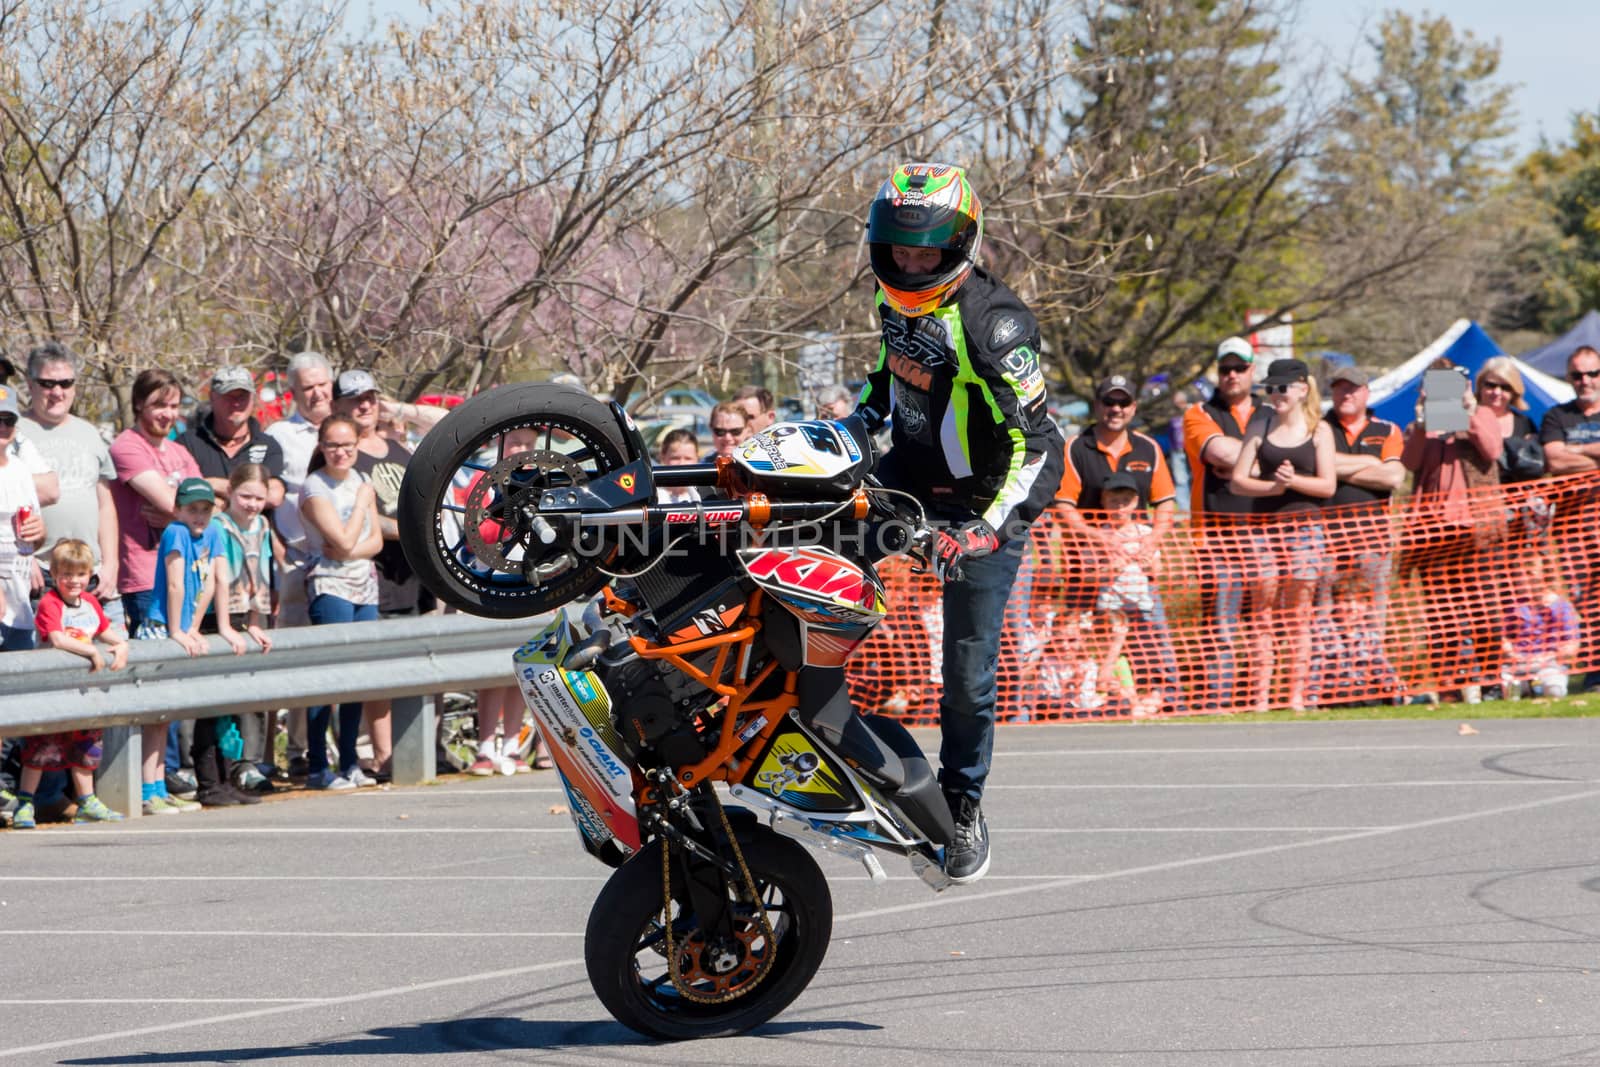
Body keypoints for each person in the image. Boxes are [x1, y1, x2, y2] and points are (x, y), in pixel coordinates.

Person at [855, 162, 1064, 882]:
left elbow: (1043, 446)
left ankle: (963, 801)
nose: (910, 265)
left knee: (966, 673)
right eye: (900, 251)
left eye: (926, 253)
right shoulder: (893, 302)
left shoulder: (998, 324)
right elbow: (887, 375)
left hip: (983, 506)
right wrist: (855, 424)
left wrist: (984, 528)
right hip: (908, 481)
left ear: (961, 245)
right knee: (803, 547)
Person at [109, 368, 205, 801]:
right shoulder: (127, 446)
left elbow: (203, 507)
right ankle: (147, 785)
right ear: (139, 406)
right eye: (158, 405)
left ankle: (160, 780)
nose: (167, 414)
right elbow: (178, 503)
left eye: (173, 405)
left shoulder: (181, 452)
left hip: (183, 576)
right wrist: (178, 507)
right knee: (152, 681)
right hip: (145, 577)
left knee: (172, 683)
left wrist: (181, 510)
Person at [1055, 375, 1181, 703]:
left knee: (1149, 631)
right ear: (1097, 405)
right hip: (1089, 567)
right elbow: (1064, 507)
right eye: (1109, 401)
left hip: (1136, 564)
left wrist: (1151, 541)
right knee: (1086, 635)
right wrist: (1100, 541)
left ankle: (1162, 692)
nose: (1116, 408)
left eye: (1123, 402)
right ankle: (1081, 697)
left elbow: (1166, 501)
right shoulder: (1076, 447)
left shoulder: (1148, 448)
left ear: (1134, 407)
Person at [133, 478, 249, 809]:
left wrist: (215, 626)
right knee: (155, 716)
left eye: (205, 509)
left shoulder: (213, 532)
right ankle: (147, 790)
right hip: (160, 626)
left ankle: (158, 790)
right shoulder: (175, 533)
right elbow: (174, 585)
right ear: (178, 509)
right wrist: (177, 631)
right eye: (191, 509)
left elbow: (215, 582)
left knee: (165, 715)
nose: (199, 516)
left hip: (183, 626)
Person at [1230, 358, 1336, 711]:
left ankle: (1295, 696)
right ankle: (1260, 696)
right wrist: (1274, 489)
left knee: (1299, 613)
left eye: (1282, 388)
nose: (1275, 395)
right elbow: (1239, 480)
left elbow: (1327, 486)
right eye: (1271, 388)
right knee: (1263, 610)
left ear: (1302, 389)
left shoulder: (1319, 429)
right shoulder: (1260, 423)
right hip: (1264, 529)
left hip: (1306, 530)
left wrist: (1294, 483)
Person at [1400, 359, 1503, 703]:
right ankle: (1447, 684)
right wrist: (1420, 419)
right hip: (1433, 531)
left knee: (1483, 608)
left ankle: (1489, 680)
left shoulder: (1481, 415)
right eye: (1435, 384)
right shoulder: (1422, 425)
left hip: (1476, 529)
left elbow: (1492, 449)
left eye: (1449, 383)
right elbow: (1410, 464)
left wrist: (1468, 412)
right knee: (1441, 615)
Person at [12, 537, 129, 828]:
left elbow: (105, 630)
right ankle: (25, 803)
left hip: (82, 690)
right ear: (54, 574)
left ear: (89, 575)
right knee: (41, 747)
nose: (73, 581)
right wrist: (90, 650)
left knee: (85, 747)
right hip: (52, 689)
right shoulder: (51, 603)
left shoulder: (89, 602)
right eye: (66, 574)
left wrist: (121, 645)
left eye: (80, 574)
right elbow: (57, 638)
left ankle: (87, 801)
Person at [334, 368, 416, 780]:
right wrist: (404, 531)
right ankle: (384, 755)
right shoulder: (343, 453)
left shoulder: (399, 448)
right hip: (372, 573)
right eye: (353, 399)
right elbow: (353, 513)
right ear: (339, 407)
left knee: (414, 664)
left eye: (369, 397)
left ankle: (416, 747)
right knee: (380, 668)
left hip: (413, 574)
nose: (363, 405)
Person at [1181, 336, 1266, 709]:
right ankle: (1220, 701)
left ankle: (1259, 701)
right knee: (1222, 626)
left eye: (1239, 367)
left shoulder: (1271, 411)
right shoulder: (1200, 413)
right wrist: (1279, 461)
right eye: (1225, 368)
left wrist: (1241, 460)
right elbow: (1218, 451)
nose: (1232, 375)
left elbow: (1233, 456)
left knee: (1262, 625)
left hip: (1267, 536)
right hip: (1217, 538)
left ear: (1252, 370)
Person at [299, 414, 383, 790]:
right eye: (333, 445)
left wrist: (350, 548)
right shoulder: (315, 488)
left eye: (348, 445)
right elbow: (345, 541)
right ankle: (319, 765)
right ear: (322, 447)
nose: (341, 452)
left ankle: (349, 760)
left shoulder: (361, 480)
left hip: (364, 584)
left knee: (359, 676)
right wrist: (364, 507)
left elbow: (374, 543)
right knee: (330, 677)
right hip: (330, 585)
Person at [263, 351, 334, 777]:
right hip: (294, 561)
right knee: (293, 660)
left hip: (342, 565)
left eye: (322, 384)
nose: (317, 393)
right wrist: (275, 542)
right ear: (293, 391)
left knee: (337, 659)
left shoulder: (347, 431)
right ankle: (295, 751)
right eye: (307, 387)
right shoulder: (279, 435)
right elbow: (267, 495)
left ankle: (342, 749)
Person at [1322, 366, 1405, 632]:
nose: (1346, 394)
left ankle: (1370, 671)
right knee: (1324, 621)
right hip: (1325, 543)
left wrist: (1332, 471)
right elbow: (1312, 465)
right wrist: (1370, 463)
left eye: (1353, 388)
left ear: (1366, 393)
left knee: (1372, 623)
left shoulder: (1387, 429)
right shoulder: (1318, 429)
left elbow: (1393, 477)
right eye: (1340, 387)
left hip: (1373, 542)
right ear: (1332, 392)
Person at [212, 463, 277, 792]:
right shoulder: (218, 526)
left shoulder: (262, 525)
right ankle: (224, 763)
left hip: (248, 610)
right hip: (218, 613)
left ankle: (249, 761)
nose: (251, 504)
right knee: (220, 693)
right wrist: (225, 624)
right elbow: (218, 577)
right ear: (230, 493)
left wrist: (255, 621)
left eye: (258, 498)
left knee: (252, 688)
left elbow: (262, 572)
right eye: (245, 496)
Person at [1539, 346, 1600, 680]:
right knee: (1584, 597)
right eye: (1578, 374)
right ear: (1568, 377)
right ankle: (1594, 670)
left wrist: (1575, 449)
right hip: (1573, 526)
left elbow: (1566, 456)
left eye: (1592, 373)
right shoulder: (1556, 416)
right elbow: (1555, 461)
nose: (1585, 381)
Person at [178, 364, 286, 509]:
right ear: (212, 397)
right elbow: (181, 494)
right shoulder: (188, 443)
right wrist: (252, 493)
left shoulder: (268, 446)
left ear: (253, 399)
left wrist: (211, 484)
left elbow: (273, 497)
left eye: (243, 396)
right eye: (228, 396)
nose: (236, 403)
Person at [0, 383, 47, 650]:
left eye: (9, 420)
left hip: (20, 606)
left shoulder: (21, 470)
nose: (2, 427)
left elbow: (35, 538)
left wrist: (40, 534)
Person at [655, 427, 702, 504]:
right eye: (675, 458)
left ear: (697, 459)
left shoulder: (705, 495)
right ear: (663, 457)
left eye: (688, 458)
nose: (681, 464)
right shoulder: (653, 496)